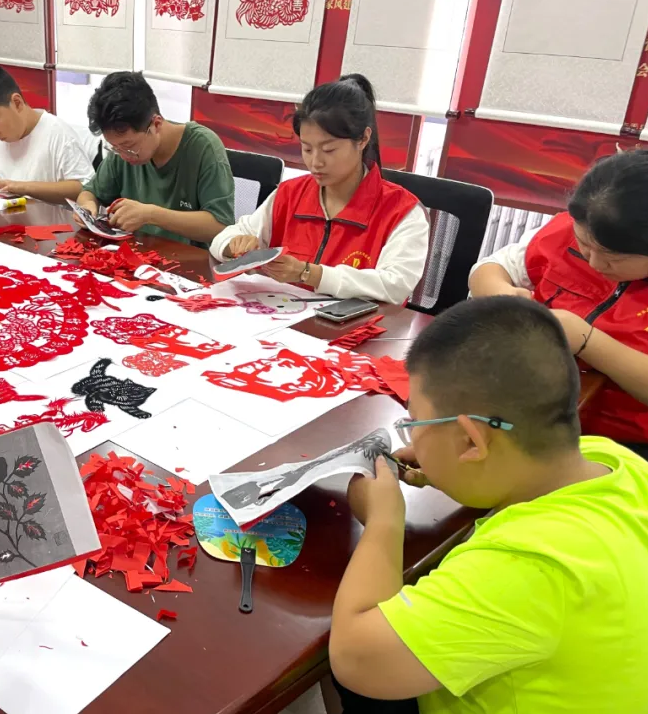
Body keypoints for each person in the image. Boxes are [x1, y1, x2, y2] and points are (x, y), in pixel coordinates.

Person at [328, 296, 648, 713]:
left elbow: (356, 661)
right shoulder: (612, 459)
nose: (412, 436)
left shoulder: (530, 566)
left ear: (470, 441)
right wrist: (449, 469)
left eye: (415, 422)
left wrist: (383, 521)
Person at [469, 150, 648, 452]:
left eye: (614, 258)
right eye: (584, 244)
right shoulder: (564, 231)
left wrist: (587, 341)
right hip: (526, 409)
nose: (594, 263)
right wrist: (503, 295)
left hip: (621, 442)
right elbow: (490, 269)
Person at [209, 75, 428, 304]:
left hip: (357, 324)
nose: (315, 162)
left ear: (363, 138)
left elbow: (395, 285)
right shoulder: (290, 194)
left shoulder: (402, 211)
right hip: (283, 317)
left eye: (329, 150)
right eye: (307, 149)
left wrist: (310, 274)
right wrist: (233, 245)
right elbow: (223, 238)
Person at [76, 71, 235, 245]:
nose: (123, 155)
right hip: (136, 252)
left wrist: (151, 215)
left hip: (188, 258)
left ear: (156, 124)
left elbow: (221, 226)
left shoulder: (203, 147)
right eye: (114, 147)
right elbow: (89, 193)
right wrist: (87, 208)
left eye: (129, 146)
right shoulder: (122, 149)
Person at [0, 65, 95, 204]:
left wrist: (23, 187)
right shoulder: (0, 142)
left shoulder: (58, 134)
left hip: (50, 217)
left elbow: (84, 188)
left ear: (17, 103)